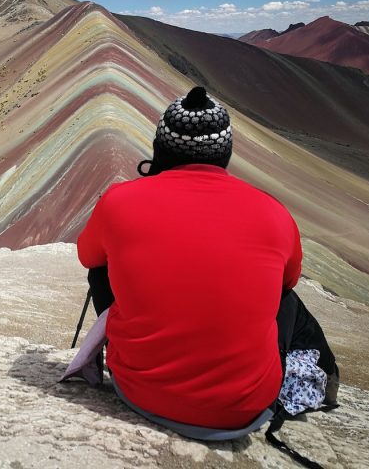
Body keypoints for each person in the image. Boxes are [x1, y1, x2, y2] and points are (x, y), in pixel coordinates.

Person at [76, 86, 338, 435]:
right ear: (225, 152)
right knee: (287, 300)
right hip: (246, 409)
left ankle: (138, 360)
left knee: (102, 271)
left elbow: (88, 257)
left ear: (161, 148)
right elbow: (287, 282)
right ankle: (324, 379)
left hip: (141, 394)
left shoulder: (118, 201)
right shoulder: (273, 212)